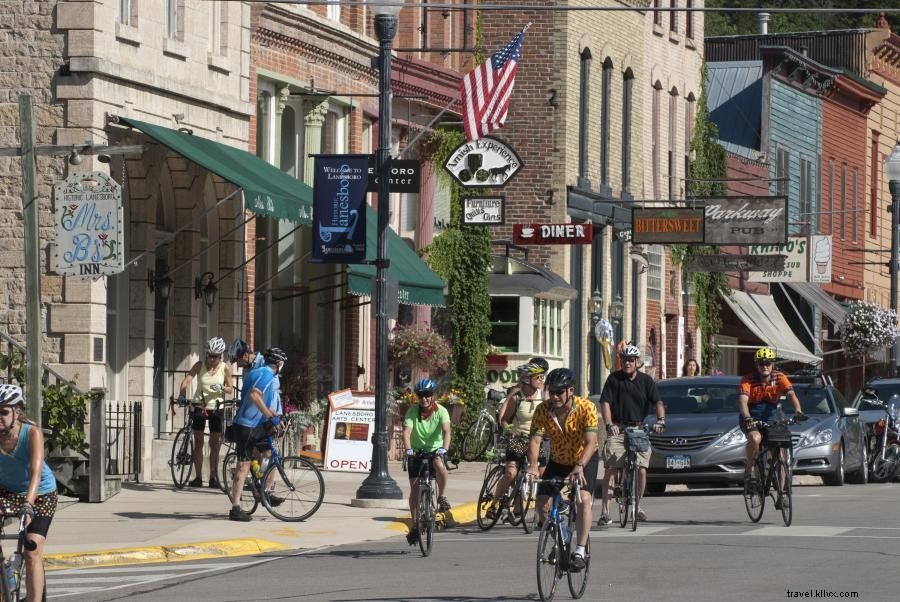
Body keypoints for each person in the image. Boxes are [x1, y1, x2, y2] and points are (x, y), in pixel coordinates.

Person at [526, 368, 598, 572]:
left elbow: (591, 442)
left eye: (559, 392)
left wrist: (579, 466)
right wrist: (533, 467)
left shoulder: (586, 407)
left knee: (583, 500)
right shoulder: (542, 410)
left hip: (585, 459)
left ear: (570, 390)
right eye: (551, 392)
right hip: (558, 460)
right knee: (542, 504)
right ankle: (562, 537)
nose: (555, 396)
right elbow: (535, 440)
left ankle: (580, 551)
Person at [0, 383, 57, 602]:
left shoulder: (32, 432)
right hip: (8, 491)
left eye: (4, 412)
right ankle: (6, 577)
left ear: (17, 412)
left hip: (40, 493)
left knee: (31, 551)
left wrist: (28, 504)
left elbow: (35, 472)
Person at [598, 343, 665, 526]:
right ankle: (605, 511)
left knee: (641, 470)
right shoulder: (614, 379)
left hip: (638, 429)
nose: (627, 363)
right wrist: (609, 424)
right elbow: (605, 403)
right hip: (618, 428)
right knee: (611, 469)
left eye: (631, 360)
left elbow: (658, 402)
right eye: (624, 360)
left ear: (637, 362)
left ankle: (638, 504)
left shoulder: (646, 381)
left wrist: (660, 421)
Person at [737, 347, 808, 506]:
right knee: (755, 438)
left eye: (768, 363)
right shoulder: (748, 380)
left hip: (770, 418)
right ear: (757, 365)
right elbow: (742, 402)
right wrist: (748, 418)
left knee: (780, 453)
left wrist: (798, 411)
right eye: (761, 363)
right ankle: (750, 470)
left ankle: (782, 493)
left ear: (773, 364)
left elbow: (791, 395)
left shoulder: (779, 377)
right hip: (751, 417)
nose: (765, 366)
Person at [228, 347, 287, 522]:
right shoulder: (267, 375)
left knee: (269, 453)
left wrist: (274, 416)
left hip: (257, 424)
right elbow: (255, 395)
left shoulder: (258, 372)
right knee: (243, 466)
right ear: (280, 364)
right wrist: (271, 416)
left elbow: (262, 400)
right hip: (246, 425)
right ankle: (235, 508)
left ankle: (265, 491)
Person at [486, 360, 546, 521]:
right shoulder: (517, 397)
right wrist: (508, 430)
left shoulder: (544, 396)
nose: (542, 380)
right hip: (517, 437)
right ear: (527, 379)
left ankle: (537, 513)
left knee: (543, 474)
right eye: (538, 377)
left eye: (543, 376)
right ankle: (495, 503)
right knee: (511, 473)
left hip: (536, 439)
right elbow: (504, 419)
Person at [177, 337, 233, 488]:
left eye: (214, 356)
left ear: (220, 356)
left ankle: (213, 477)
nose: (211, 358)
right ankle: (198, 477)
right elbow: (187, 380)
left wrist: (221, 388)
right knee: (199, 442)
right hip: (199, 405)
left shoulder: (225, 368)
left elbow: (230, 388)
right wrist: (182, 393)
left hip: (216, 407)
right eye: (209, 354)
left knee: (214, 443)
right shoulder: (200, 365)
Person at [403, 378, 452, 546]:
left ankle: (442, 496)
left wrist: (444, 449)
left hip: (434, 450)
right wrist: (408, 449)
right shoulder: (412, 411)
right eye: (421, 395)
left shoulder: (442, 411)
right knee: (415, 488)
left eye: (427, 395)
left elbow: (447, 432)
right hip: (416, 452)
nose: (424, 399)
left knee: (439, 463)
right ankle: (415, 525)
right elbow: (407, 432)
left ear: (433, 395)